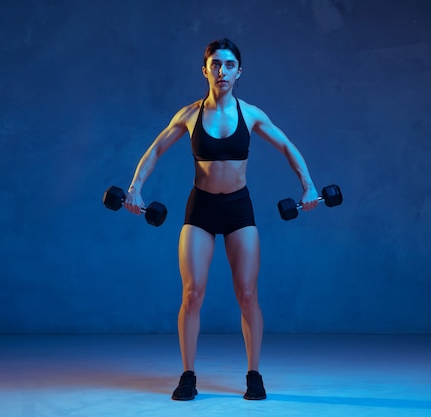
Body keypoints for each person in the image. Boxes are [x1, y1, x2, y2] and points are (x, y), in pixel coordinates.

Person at [124, 38, 319, 401]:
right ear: (205, 70)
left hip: (239, 210)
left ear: (239, 71)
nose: (222, 71)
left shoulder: (252, 114)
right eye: (215, 64)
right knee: (192, 293)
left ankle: (254, 374)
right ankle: (187, 375)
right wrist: (135, 189)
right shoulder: (189, 115)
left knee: (247, 294)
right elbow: (155, 150)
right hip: (200, 209)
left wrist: (308, 186)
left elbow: (288, 146)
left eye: (229, 65)